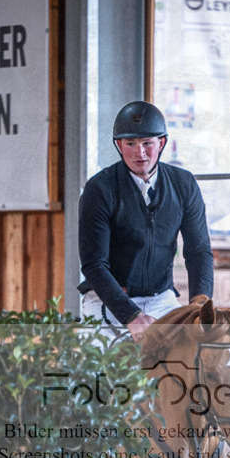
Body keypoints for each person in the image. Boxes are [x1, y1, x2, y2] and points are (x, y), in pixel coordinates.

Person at [77, 101, 214, 340]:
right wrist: (131, 315)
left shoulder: (184, 185)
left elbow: (199, 251)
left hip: (162, 299)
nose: (140, 153)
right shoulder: (99, 189)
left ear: (161, 143)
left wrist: (200, 304)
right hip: (109, 300)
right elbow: (94, 264)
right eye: (131, 144)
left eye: (147, 143)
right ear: (119, 145)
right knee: (104, 368)